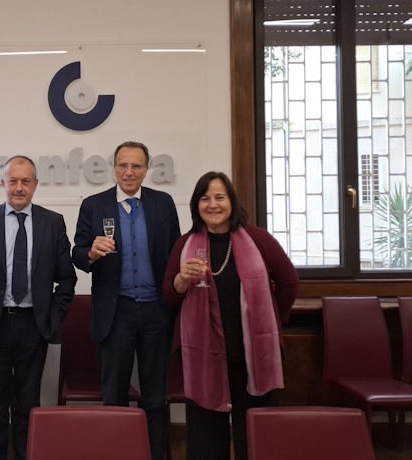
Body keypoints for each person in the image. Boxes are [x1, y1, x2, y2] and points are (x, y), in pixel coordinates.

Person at [162, 171, 299, 460]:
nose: (212, 204)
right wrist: (181, 279)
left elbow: (289, 281)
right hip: (203, 358)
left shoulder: (258, 239)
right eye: (205, 198)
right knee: (205, 443)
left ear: (232, 202)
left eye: (219, 197)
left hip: (252, 357)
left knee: (256, 438)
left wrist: (275, 321)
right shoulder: (185, 245)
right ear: (196, 205)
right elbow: (169, 295)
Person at [0, 155, 76, 460]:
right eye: (13, 181)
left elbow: (67, 278)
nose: (18, 188)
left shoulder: (53, 223)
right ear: (3, 183)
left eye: (25, 181)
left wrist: (54, 315)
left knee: (27, 407)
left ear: (35, 184)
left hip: (33, 326)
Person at [72, 141, 180, 460]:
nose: (129, 172)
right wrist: (91, 254)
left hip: (156, 312)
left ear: (146, 170)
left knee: (156, 399)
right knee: (114, 398)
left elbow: (175, 252)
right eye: (123, 165)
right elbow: (77, 254)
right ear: (114, 168)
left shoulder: (163, 203)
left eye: (136, 166)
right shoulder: (94, 205)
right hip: (115, 314)